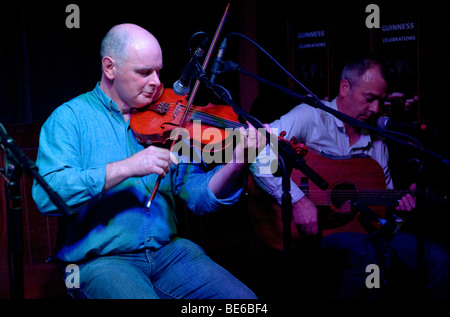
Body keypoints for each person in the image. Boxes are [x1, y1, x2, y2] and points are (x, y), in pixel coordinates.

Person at [31, 23, 263, 299]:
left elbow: (199, 196)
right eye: (143, 72)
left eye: (158, 71)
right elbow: (47, 195)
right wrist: (128, 166)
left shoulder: (172, 122)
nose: (156, 82)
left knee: (245, 303)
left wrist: (237, 162)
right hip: (101, 261)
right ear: (110, 68)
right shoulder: (70, 118)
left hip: (170, 254)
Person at [250, 56, 448, 299]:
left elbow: (381, 215)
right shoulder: (310, 116)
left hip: (364, 234)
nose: (376, 109)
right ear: (345, 88)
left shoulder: (378, 144)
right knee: (372, 254)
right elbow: (257, 146)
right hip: (309, 232)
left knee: (439, 260)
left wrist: (399, 212)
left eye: (381, 101)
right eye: (369, 98)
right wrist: (298, 200)